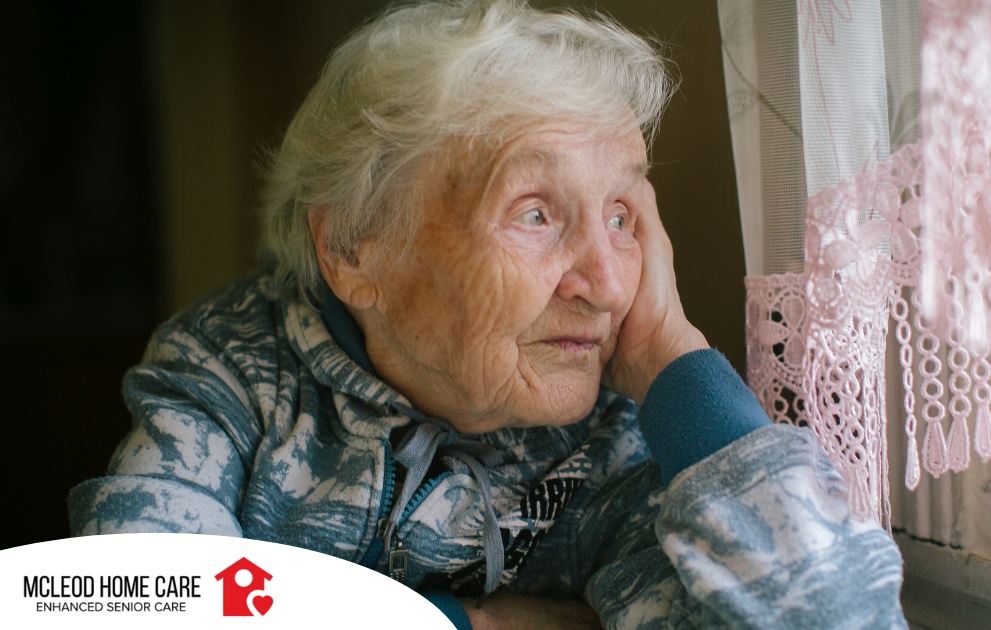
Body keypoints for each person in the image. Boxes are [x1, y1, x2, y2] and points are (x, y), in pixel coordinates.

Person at [68, 1, 907, 628]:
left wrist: (673, 358)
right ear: (355, 247)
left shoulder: (618, 433)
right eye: (535, 213)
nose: (609, 286)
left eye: (621, 215)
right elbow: (122, 604)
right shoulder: (231, 375)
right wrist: (477, 622)